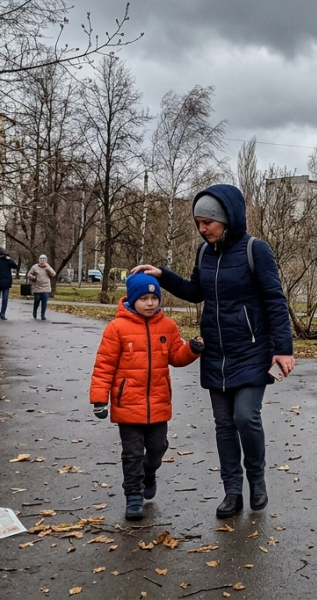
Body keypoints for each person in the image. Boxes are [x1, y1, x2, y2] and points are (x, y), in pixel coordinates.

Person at [129, 184, 294, 519]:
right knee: (223, 424)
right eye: (199, 223)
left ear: (227, 219)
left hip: (251, 350)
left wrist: (283, 349)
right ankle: (232, 491)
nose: (203, 229)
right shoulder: (205, 253)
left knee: (245, 417)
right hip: (217, 353)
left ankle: (256, 480)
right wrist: (163, 276)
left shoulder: (255, 250)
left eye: (209, 222)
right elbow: (194, 292)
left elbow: (276, 301)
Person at [90, 273, 203, 521]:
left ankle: (149, 472)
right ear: (132, 299)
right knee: (131, 454)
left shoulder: (168, 326)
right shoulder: (117, 328)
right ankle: (133, 495)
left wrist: (192, 350)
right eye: (144, 298)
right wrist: (99, 399)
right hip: (127, 404)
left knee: (157, 447)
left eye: (154, 297)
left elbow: (176, 357)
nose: (150, 303)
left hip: (158, 402)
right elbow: (104, 365)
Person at [27, 254, 56, 320]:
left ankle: (43, 315)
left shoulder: (48, 267)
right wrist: (33, 277)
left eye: (44, 259)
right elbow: (29, 274)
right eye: (41, 259)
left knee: (44, 302)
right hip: (37, 287)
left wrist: (48, 267)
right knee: (36, 301)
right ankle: (35, 312)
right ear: (39, 260)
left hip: (46, 287)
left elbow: (53, 274)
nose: (42, 260)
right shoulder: (35, 267)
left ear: (46, 260)